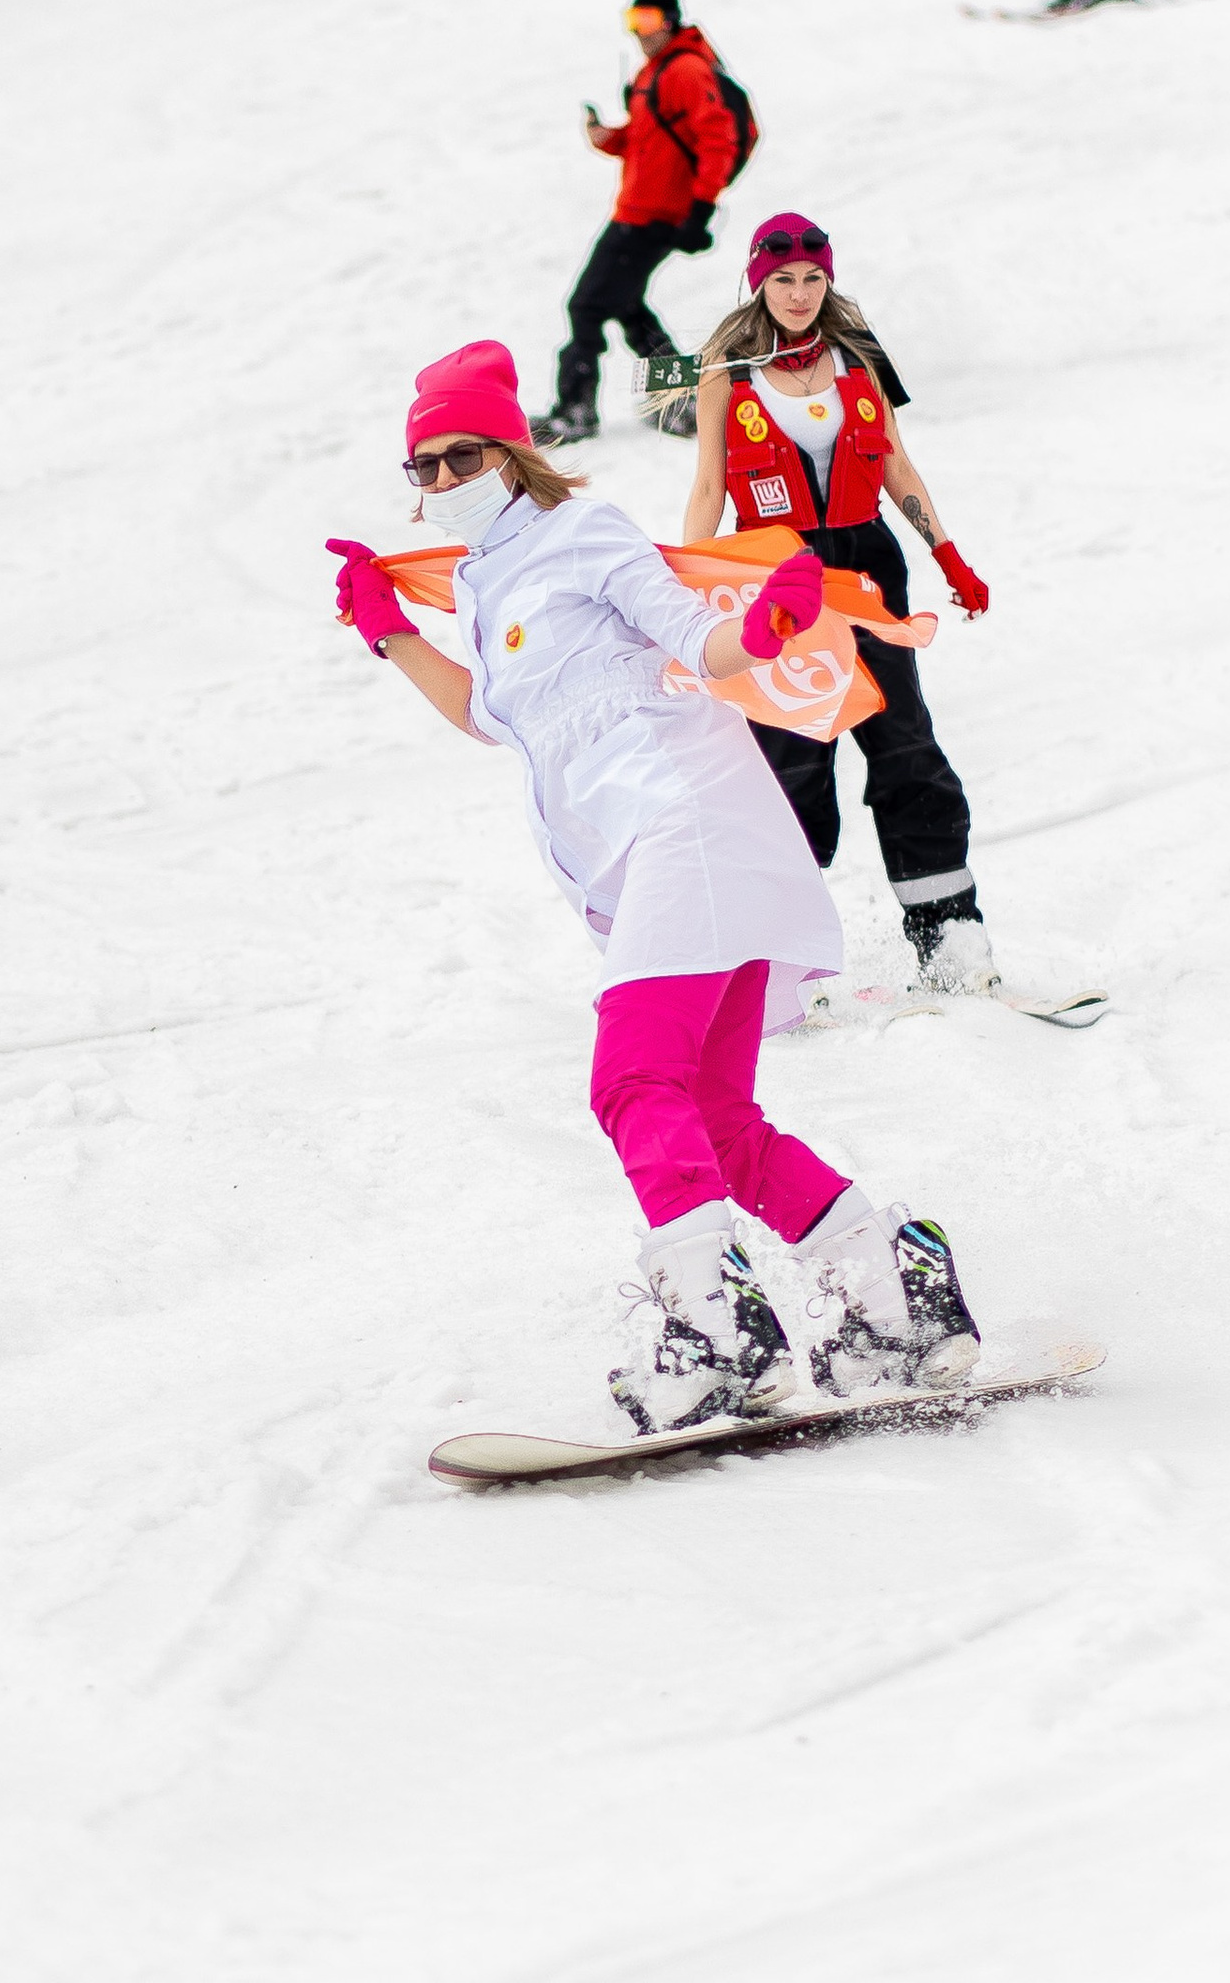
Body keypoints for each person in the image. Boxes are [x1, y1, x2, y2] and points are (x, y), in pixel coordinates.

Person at [326, 340, 981, 1433]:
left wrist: (761, 630)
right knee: (717, 1118)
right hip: (645, 864)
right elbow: (491, 718)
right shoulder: (489, 588)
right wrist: (389, 631)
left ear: (509, 452)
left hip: (687, 824)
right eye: (422, 468)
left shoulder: (579, 533)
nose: (439, 482)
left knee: (631, 1085)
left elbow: (695, 633)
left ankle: (714, 1332)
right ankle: (892, 1294)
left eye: (457, 457)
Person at [683, 215, 1003, 997]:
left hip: (869, 570)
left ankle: (950, 935)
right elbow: (708, 485)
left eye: (813, 279)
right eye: (784, 280)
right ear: (759, 280)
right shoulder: (727, 370)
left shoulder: (859, 356)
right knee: (792, 759)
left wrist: (946, 553)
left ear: (829, 281)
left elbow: (894, 461)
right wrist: (686, 590)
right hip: (780, 577)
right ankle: (784, 960)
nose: (798, 294)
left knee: (904, 743)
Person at [535, 0, 745, 445]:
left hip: (656, 216)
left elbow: (720, 139)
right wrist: (606, 137)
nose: (639, 32)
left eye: (647, 20)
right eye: (633, 21)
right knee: (627, 304)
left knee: (587, 304)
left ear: (670, 20)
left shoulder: (686, 70)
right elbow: (646, 140)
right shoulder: (655, 71)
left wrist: (701, 207)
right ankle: (678, 399)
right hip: (638, 209)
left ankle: (576, 411)